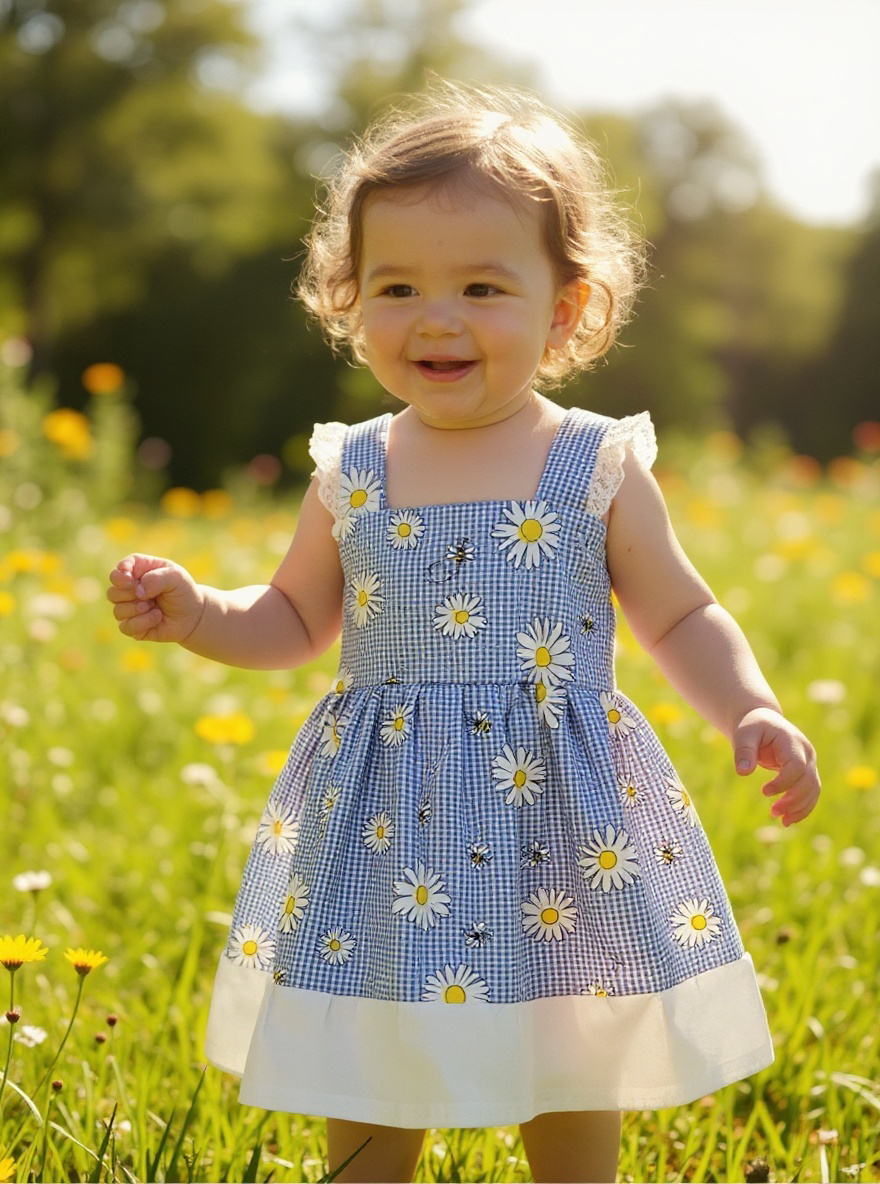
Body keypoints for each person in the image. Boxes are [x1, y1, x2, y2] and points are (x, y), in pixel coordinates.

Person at [107, 82, 820, 1184]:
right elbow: (294, 615)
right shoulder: (353, 467)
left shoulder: (591, 460)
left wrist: (750, 703)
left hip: (556, 811)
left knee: (568, 1040)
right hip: (382, 816)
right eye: (396, 286)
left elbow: (679, 608)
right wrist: (201, 612)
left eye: (482, 286)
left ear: (567, 306)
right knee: (370, 1037)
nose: (435, 317)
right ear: (349, 300)